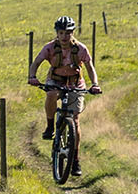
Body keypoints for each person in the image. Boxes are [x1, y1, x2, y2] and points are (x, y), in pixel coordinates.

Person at [28, 16, 100, 154]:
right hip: (55, 81)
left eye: (67, 32)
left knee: (75, 120)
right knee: (51, 94)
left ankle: (76, 157)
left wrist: (95, 84)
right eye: (61, 33)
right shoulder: (49, 48)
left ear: (72, 32)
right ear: (57, 33)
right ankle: (50, 127)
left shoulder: (80, 49)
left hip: (75, 83)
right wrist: (32, 77)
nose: (64, 36)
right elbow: (36, 63)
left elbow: (90, 68)